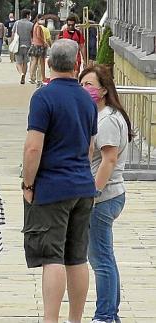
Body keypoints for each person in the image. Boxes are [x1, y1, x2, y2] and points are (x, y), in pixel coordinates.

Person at [22, 39, 98, 323]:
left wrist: (28, 184)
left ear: (49, 62)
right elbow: (90, 148)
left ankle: (50, 320)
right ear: (77, 63)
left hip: (53, 186)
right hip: (82, 185)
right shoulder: (86, 99)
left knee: (51, 256)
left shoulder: (43, 97)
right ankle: (75, 319)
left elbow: (33, 147)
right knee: (77, 257)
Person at [79, 66, 132, 323]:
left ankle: (105, 315)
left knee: (100, 259)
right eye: (82, 84)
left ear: (103, 89)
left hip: (104, 197)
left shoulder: (108, 119)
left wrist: (93, 192)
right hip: (105, 195)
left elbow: (108, 160)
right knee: (104, 256)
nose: (85, 89)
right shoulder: (97, 115)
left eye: (90, 84)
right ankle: (111, 313)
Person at [13, 9, 34, 84]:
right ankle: (24, 75)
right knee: (25, 62)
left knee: (18, 62)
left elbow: (13, 34)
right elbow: (32, 36)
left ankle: (21, 73)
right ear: (28, 15)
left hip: (18, 45)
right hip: (28, 45)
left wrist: (11, 43)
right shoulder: (31, 24)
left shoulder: (17, 23)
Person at [29, 15, 49, 85]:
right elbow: (38, 35)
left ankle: (31, 77)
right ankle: (39, 78)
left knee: (34, 62)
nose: (43, 21)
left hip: (34, 45)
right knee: (40, 63)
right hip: (39, 45)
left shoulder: (34, 25)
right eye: (42, 19)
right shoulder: (38, 26)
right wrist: (44, 42)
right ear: (38, 19)